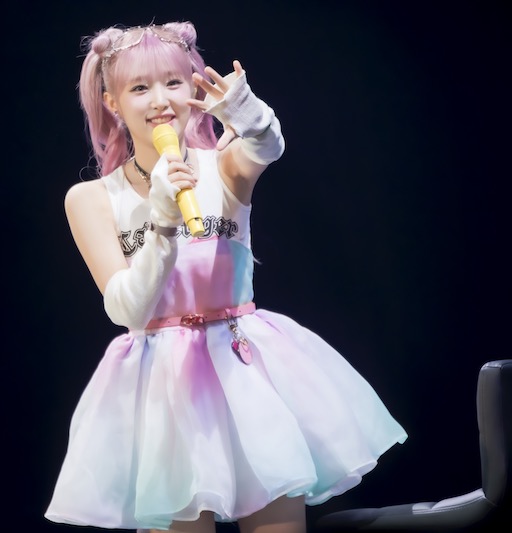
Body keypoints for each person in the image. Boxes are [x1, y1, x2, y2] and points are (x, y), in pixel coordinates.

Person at [44, 21, 407, 533]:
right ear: (112, 102)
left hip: (242, 369)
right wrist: (162, 223)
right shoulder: (92, 199)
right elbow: (127, 308)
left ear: (192, 87)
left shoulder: (222, 165)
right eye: (140, 88)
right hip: (162, 391)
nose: (160, 101)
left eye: (173, 82)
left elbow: (267, 145)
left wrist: (248, 114)